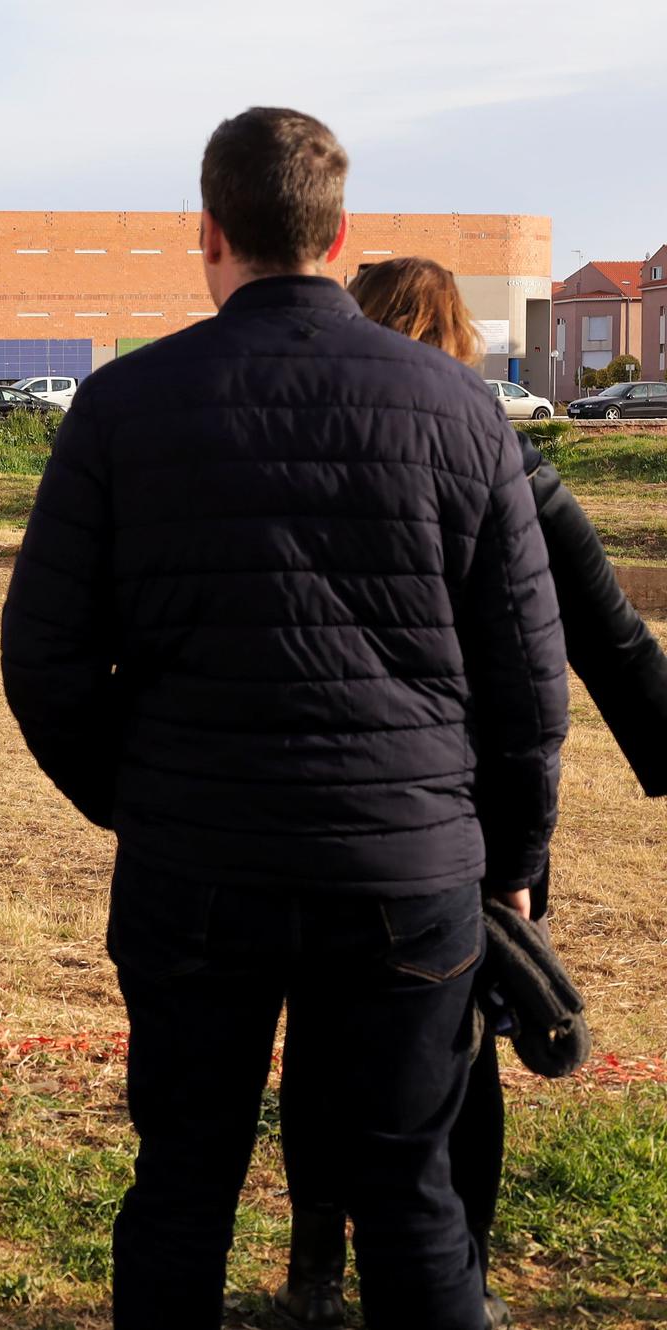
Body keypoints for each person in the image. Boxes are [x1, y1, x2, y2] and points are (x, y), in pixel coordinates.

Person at [0, 108, 568, 1330]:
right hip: (405, 869)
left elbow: (42, 659)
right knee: (412, 1196)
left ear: (204, 232)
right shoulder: (463, 412)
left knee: (182, 1185)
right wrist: (513, 861)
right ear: (337, 232)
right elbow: (528, 680)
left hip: (195, 869)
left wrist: (145, 797)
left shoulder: (118, 408)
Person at [274, 256, 667, 1330]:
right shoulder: (508, 475)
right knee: (449, 1052)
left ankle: (316, 1265)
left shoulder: (305, 469)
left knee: (320, 1025)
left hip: (321, 815)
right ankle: (459, 1271)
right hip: (464, 824)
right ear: (460, 350)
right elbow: (615, 645)